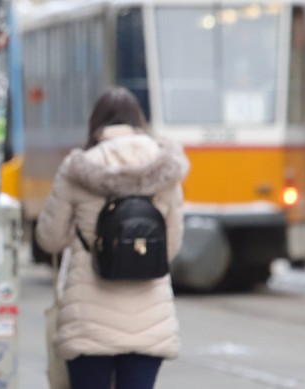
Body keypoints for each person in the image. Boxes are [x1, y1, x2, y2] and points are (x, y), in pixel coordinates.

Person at [35, 86, 189, 389]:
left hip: (87, 318)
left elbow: (49, 239)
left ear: (96, 123)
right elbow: (171, 246)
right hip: (150, 318)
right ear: (138, 121)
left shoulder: (77, 169)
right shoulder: (164, 169)